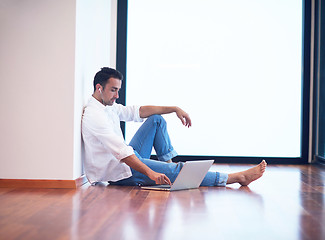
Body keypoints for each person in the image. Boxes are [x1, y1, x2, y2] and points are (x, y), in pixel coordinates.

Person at [81, 67, 267, 187]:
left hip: (128, 158)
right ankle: (236, 178)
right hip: (119, 171)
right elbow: (122, 152)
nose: (117, 96)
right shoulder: (94, 115)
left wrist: (174, 108)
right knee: (180, 170)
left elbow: (136, 111)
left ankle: (167, 166)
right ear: (99, 88)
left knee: (156, 119)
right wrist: (152, 173)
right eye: (113, 90)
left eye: (118, 90)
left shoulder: (107, 106)